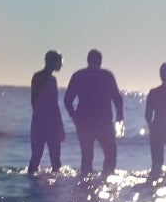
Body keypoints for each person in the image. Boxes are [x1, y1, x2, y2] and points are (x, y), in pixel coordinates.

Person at [63, 49, 124, 177]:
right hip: (103, 122)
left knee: (87, 156)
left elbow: (67, 99)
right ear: (100, 61)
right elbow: (117, 97)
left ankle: (86, 184)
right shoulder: (106, 75)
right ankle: (106, 179)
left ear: (88, 60)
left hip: (85, 121)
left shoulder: (79, 75)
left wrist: (74, 117)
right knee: (110, 154)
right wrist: (120, 114)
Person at [28, 50, 65, 174]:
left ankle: (31, 183)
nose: (61, 65)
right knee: (55, 161)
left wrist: (39, 115)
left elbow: (34, 101)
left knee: (36, 157)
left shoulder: (36, 76)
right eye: (60, 62)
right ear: (53, 62)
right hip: (50, 123)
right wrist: (60, 126)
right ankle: (55, 187)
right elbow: (54, 105)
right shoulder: (50, 79)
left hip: (38, 120)